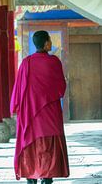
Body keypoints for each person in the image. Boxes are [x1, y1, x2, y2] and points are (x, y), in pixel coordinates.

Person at [10, 30, 69, 184]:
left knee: (31, 142)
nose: (51, 43)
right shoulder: (54, 62)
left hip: (30, 114)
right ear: (45, 43)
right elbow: (61, 87)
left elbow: (18, 90)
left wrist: (16, 107)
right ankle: (47, 178)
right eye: (49, 40)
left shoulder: (26, 63)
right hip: (50, 113)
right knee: (49, 145)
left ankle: (31, 178)